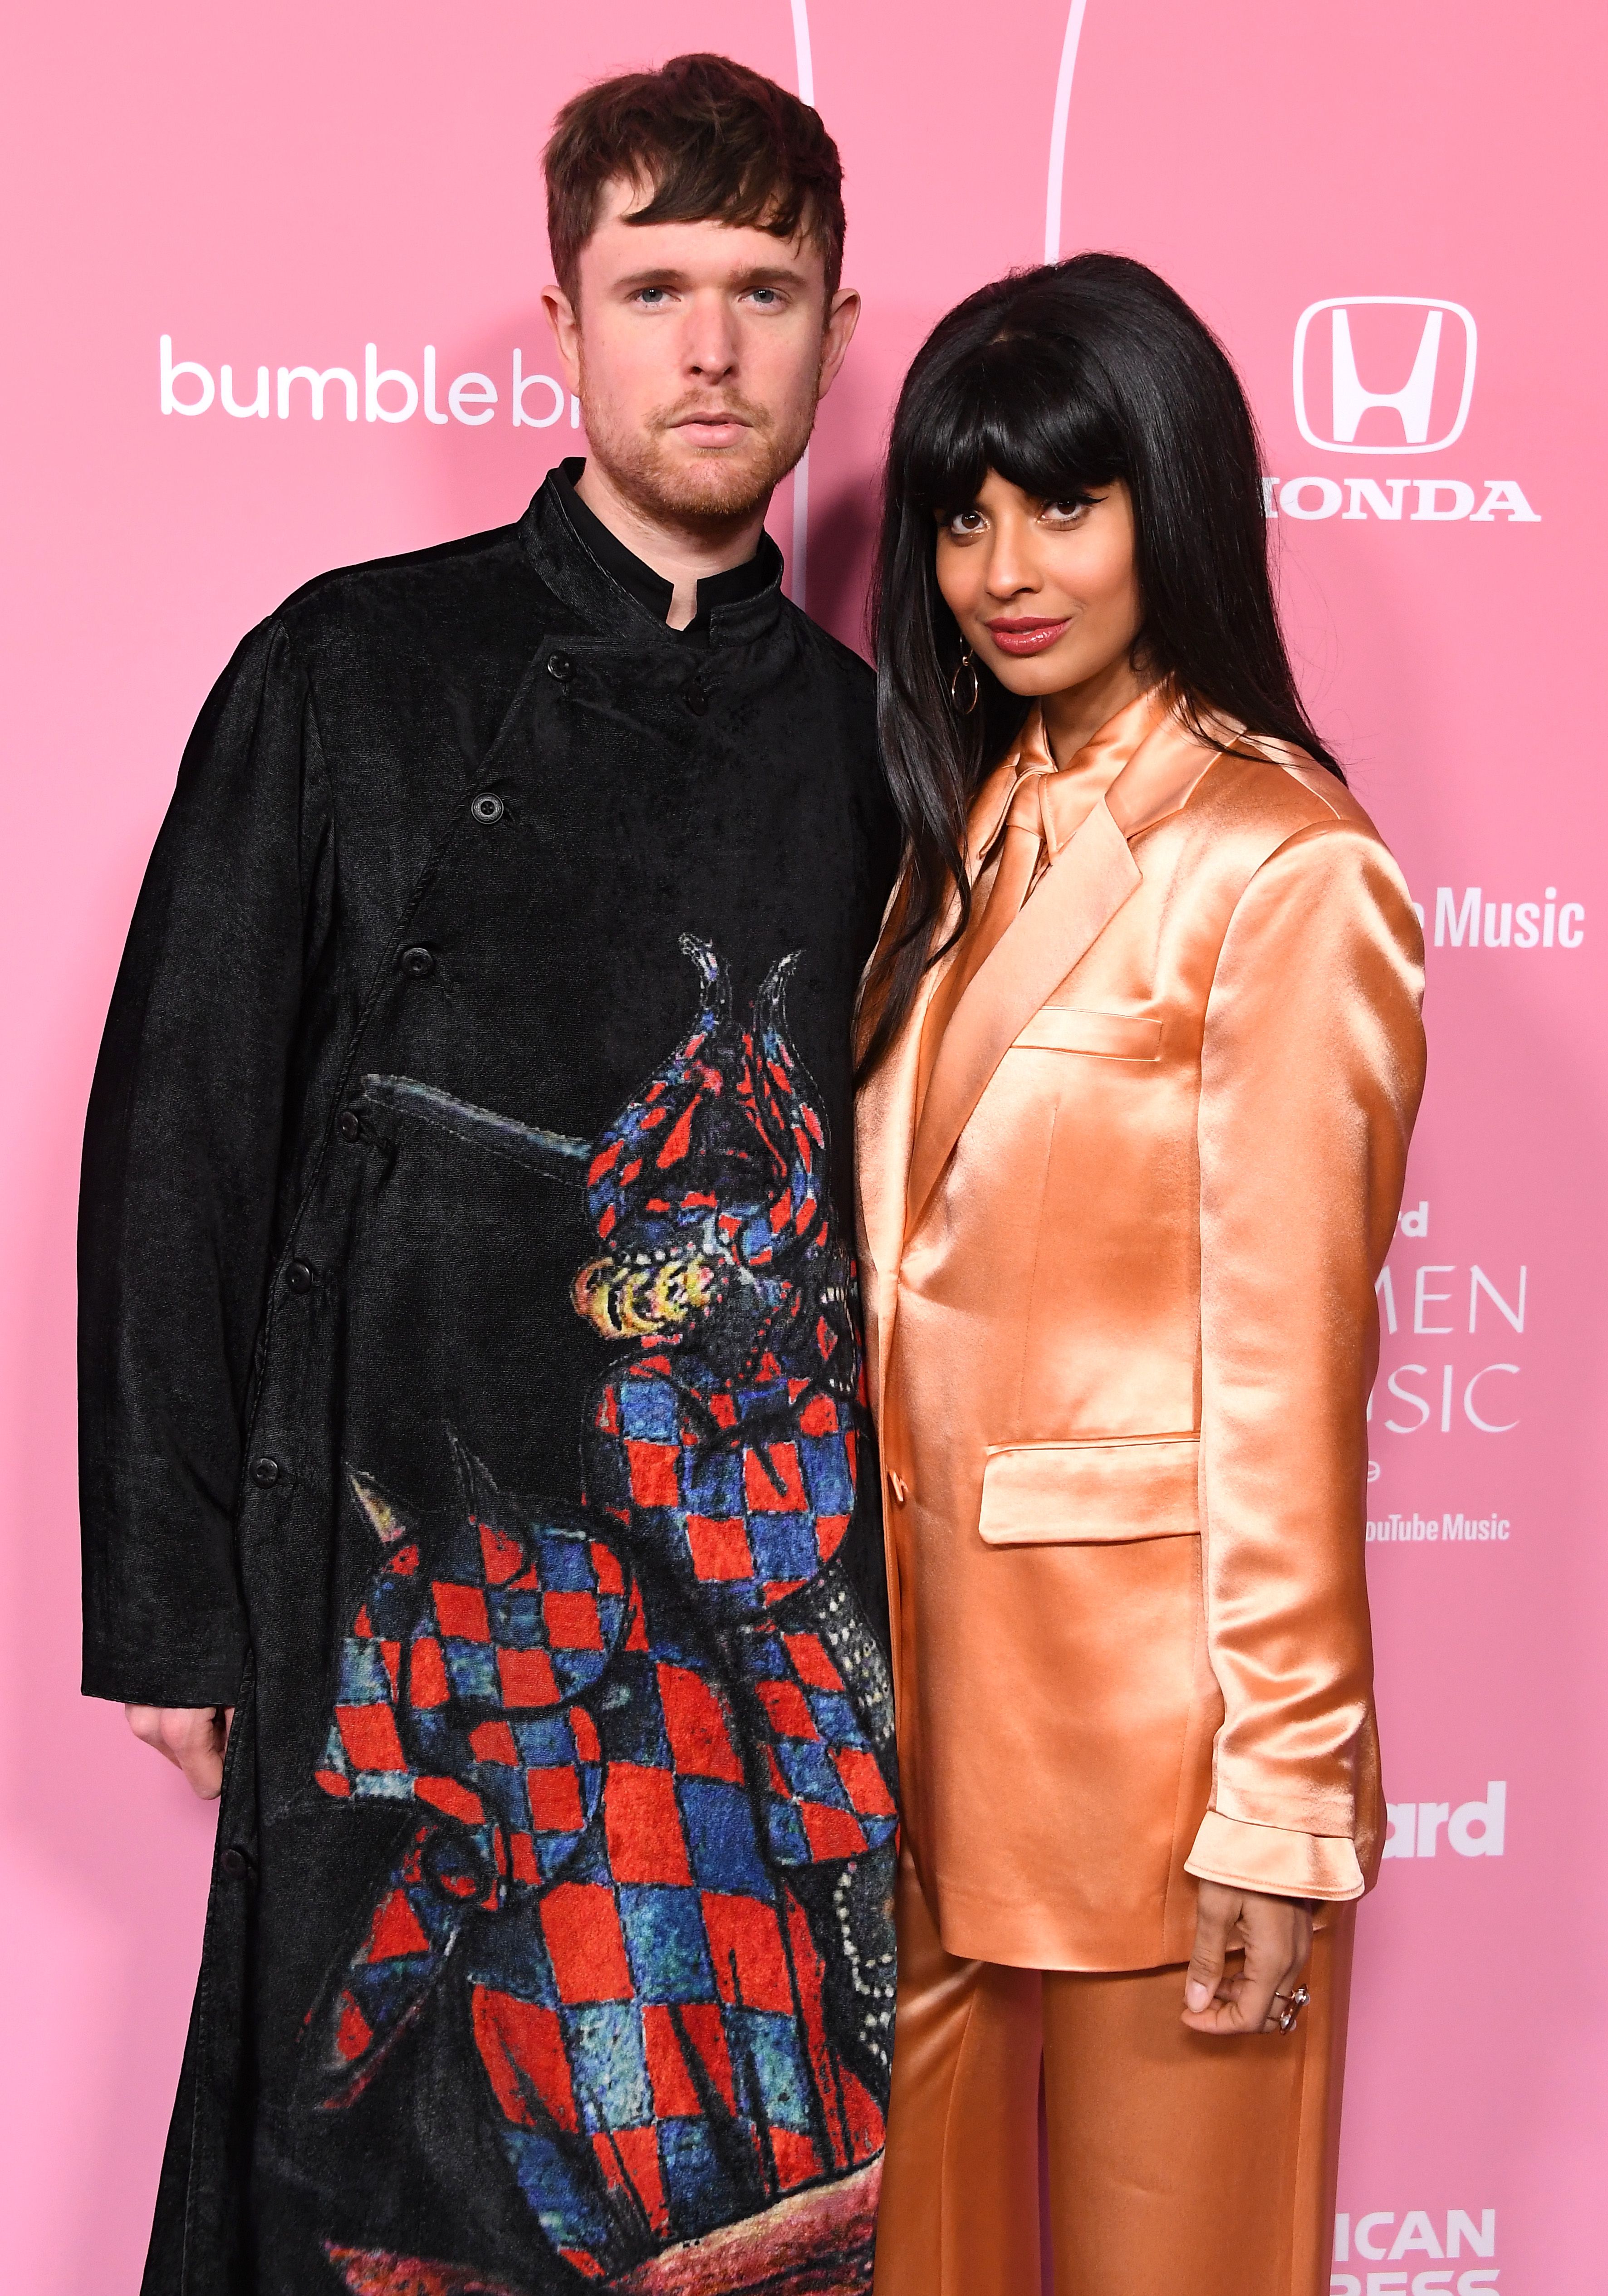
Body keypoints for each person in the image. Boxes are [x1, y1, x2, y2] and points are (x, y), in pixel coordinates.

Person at [80, 54, 902, 2296]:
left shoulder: (879, 747)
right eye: (654, 287)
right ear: (563, 324)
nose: (710, 346)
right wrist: (170, 1602)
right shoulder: (351, 666)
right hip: (402, 1611)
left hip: (757, 1626)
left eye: (762, 287)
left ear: (838, 324)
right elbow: (181, 1137)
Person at [854, 254, 1426, 2296]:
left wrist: (1275, 1804)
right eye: (960, 511)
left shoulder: (1285, 869)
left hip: (1160, 1772)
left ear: (1167, 504)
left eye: (1063, 504)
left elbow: (1287, 1383)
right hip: (914, 1752)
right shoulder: (965, 819)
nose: (1004, 565)